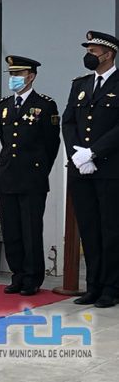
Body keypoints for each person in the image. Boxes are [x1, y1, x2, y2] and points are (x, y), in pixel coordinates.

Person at [0, 56, 60, 296]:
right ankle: (18, 274)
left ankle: (32, 277)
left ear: (31, 76)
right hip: (7, 175)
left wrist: (40, 169)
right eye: (11, 74)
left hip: (32, 177)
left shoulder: (44, 105)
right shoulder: (3, 105)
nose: (13, 79)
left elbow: (52, 144)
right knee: (11, 229)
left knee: (30, 229)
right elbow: (4, 139)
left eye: (18, 74)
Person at [63, 31, 119, 308]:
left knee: (111, 230)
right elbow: (68, 121)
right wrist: (78, 155)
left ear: (108, 54)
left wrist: (94, 152)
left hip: (110, 169)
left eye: (93, 50)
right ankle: (93, 285)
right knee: (88, 228)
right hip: (81, 169)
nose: (88, 55)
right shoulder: (81, 84)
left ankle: (111, 287)